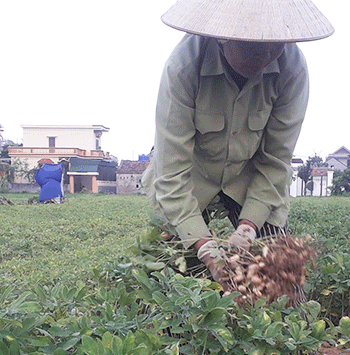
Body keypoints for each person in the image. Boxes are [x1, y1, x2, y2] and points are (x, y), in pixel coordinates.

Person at [142, 0, 333, 282]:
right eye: (254, 45)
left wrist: (247, 228)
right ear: (222, 36)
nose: (267, 54)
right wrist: (205, 247)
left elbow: (276, 160)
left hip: (252, 177)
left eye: (275, 43)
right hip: (190, 179)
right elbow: (172, 172)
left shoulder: (292, 68)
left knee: (277, 280)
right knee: (172, 285)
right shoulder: (183, 66)